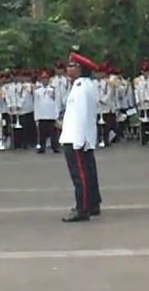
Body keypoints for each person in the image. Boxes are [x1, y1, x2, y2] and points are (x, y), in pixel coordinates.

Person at [59, 52, 101, 222]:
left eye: (71, 66)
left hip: (76, 137)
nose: (67, 69)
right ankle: (92, 203)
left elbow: (82, 114)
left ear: (79, 68)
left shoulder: (81, 87)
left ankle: (82, 207)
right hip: (81, 136)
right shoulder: (84, 85)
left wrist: (79, 140)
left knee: (80, 175)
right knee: (88, 172)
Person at [34, 70, 60, 154]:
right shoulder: (38, 90)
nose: (45, 80)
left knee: (53, 132)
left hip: (51, 114)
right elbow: (36, 104)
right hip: (42, 114)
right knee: (42, 133)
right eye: (43, 78)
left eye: (46, 78)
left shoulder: (53, 89)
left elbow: (57, 101)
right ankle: (42, 147)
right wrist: (36, 116)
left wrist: (57, 113)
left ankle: (55, 146)